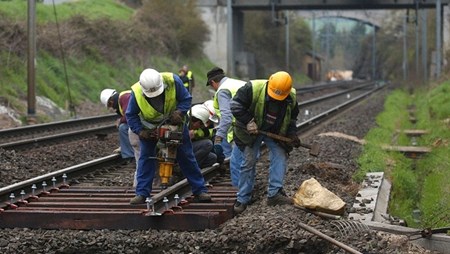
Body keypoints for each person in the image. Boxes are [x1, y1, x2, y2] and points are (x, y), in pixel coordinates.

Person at [125, 68, 211, 204]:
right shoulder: (136, 92)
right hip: (150, 128)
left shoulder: (173, 81)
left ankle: (200, 190)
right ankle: (141, 193)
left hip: (174, 125)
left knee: (186, 156)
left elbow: (186, 99)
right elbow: (130, 115)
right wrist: (141, 131)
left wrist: (180, 112)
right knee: (146, 158)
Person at [230, 71, 301, 214]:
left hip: (275, 131)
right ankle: (243, 198)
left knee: (280, 155)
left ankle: (274, 194)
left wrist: (292, 133)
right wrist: (248, 121)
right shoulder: (252, 88)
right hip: (251, 130)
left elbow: (292, 118)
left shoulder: (291, 97)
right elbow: (235, 105)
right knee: (248, 162)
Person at [205, 66, 246, 187]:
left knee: (236, 163)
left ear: (213, 82)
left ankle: (241, 193)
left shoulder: (223, 90)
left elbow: (227, 117)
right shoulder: (239, 83)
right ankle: (247, 188)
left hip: (242, 128)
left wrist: (219, 136)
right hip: (253, 125)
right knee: (247, 161)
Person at [100, 88, 136, 164]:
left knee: (123, 127)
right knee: (123, 126)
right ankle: (126, 149)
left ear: (111, 100)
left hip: (142, 121)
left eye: (110, 105)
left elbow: (128, 117)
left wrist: (120, 121)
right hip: (139, 120)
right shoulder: (121, 101)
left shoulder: (125, 97)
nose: (111, 107)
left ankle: (130, 156)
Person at [188, 104, 217, 168]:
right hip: (179, 150)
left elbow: (206, 134)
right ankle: (191, 169)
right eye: (201, 124)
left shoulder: (198, 130)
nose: (200, 127)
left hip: (188, 149)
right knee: (208, 144)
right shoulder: (183, 123)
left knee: (212, 158)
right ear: (197, 121)